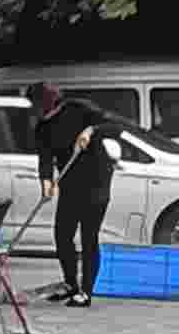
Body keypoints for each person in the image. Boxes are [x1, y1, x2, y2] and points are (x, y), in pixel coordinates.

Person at [30, 81, 116, 305]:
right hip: (69, 184)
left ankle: (86, 292)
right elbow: (45, 159)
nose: (35, 110)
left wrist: (90, 130)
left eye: (36, 104)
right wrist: (46, 183)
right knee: (62, 235)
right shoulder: (43, 128)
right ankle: (71, 284)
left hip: (96, 182)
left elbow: (113, 125)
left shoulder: (79, 108)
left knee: (89, 237)